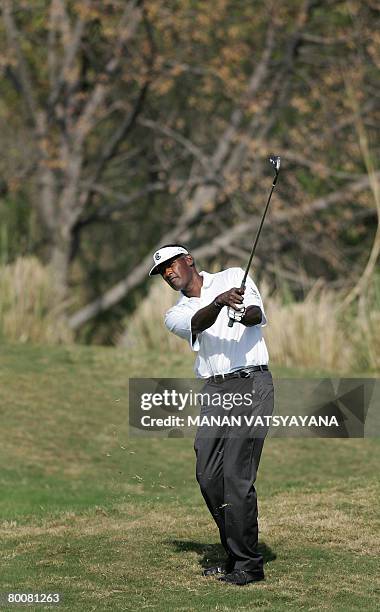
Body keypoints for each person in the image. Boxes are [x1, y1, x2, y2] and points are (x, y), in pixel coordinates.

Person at [149, 244, 274, 586]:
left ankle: (248, 564)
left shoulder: (234, 276)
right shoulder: (175, 314)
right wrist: (219, 304)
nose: (168, 273)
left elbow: (256, 316)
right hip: (215, 391)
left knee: (236, 476)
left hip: (251, 383)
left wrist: (239, 308)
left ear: (188, 259)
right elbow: (198, 322)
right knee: (208, 476)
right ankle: (236, 552)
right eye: (162, 272)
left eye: (171, 265)